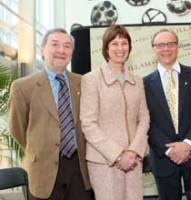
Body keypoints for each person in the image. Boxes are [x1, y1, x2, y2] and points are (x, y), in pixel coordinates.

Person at [8, 28, 93, 200]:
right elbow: (17, 129)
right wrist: (41, 149)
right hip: (42, 170)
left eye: (67, 46)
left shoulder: (84, 83)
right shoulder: (23, 87)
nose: (61, 50)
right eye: (55, 44)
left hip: (79, 169)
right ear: (43, 49)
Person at [80, 25, 150, 200]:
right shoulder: (91, 79)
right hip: (104, 161)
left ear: (130, 48)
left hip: (133, 160)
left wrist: (133, 151)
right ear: (106, 48)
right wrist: (118, 155)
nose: (120, 48)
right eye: (114, 44)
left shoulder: (137, 80)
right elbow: (88, 124)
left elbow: (144, 117)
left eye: (124, 43)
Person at [143, 29, 191, 200]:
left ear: (178, 47)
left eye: (171, 44)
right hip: (163, 158)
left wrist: (187, 144)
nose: (166, 48)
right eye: (160, 45)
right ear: (153, 49)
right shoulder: (143, 84)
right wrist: (170, 151)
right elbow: (145, 121)